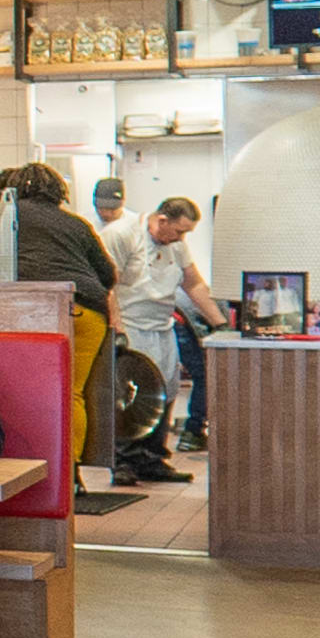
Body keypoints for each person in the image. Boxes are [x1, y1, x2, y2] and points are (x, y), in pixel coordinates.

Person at [0, 163, 117, 475]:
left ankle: (30, 464)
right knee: (72, 391)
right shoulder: (75, 223)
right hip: (88, 310)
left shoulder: (6, 215)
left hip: (36, 309)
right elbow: (107, 274)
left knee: (30, 392)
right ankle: (71, 474)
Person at [111, 198, 226, 480]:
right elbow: (107, 285)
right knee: (132, 395)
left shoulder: (175, 246)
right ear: (161, 220)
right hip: (131, 325)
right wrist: (116, 326)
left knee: (167, 389)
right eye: (179, 231)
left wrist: (219, 323)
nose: (181, 238)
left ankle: (153, 458)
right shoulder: (122, 234)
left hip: (161, 326)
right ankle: (124, 461)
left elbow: (194, 284)